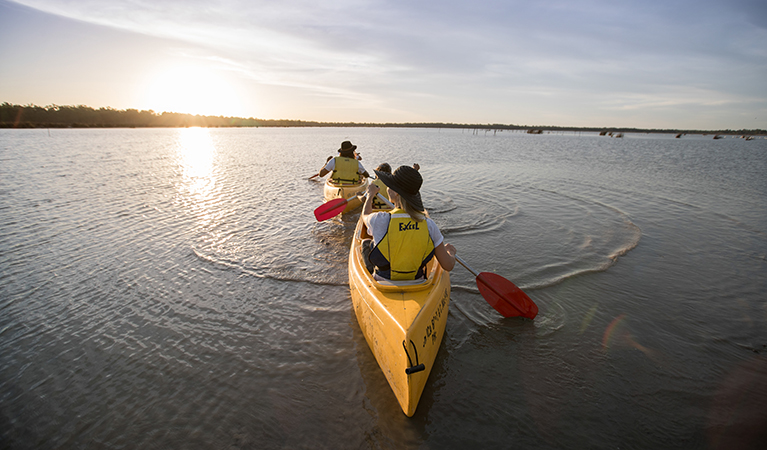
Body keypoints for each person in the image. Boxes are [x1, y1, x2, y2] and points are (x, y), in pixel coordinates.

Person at [361, 165, 456, 281]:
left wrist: (370, 196)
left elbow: (365, 216)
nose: (387, 188)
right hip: (417, 282)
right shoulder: (429, 225)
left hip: (383, 283)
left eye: (389, 186)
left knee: (366, 242)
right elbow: (448, 265)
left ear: (396, 193)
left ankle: (369, 273)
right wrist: (450, 253)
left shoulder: (380, 219)